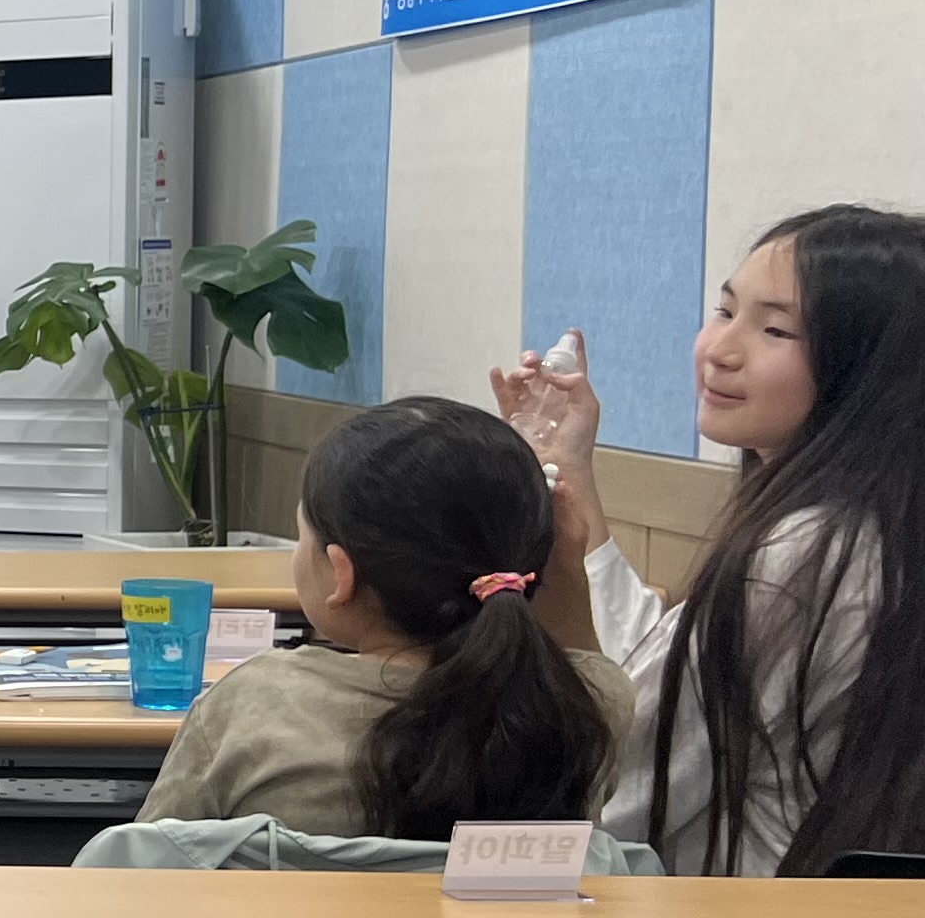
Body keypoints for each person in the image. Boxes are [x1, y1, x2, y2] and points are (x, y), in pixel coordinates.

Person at [495, 203, 925, 873]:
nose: (720, 351)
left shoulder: (806, 556)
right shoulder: (867, 526)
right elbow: (664, 666)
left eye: (776, 329)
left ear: (870, 369)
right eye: (725, 312)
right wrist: (569, 468)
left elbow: (616, 784)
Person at [136, 397, 627, 839]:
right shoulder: (589, 708)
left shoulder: (252, 703)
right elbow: (584, 668)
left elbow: (142, 868)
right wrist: (567, 567)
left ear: (342, 573)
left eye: (303, 535)